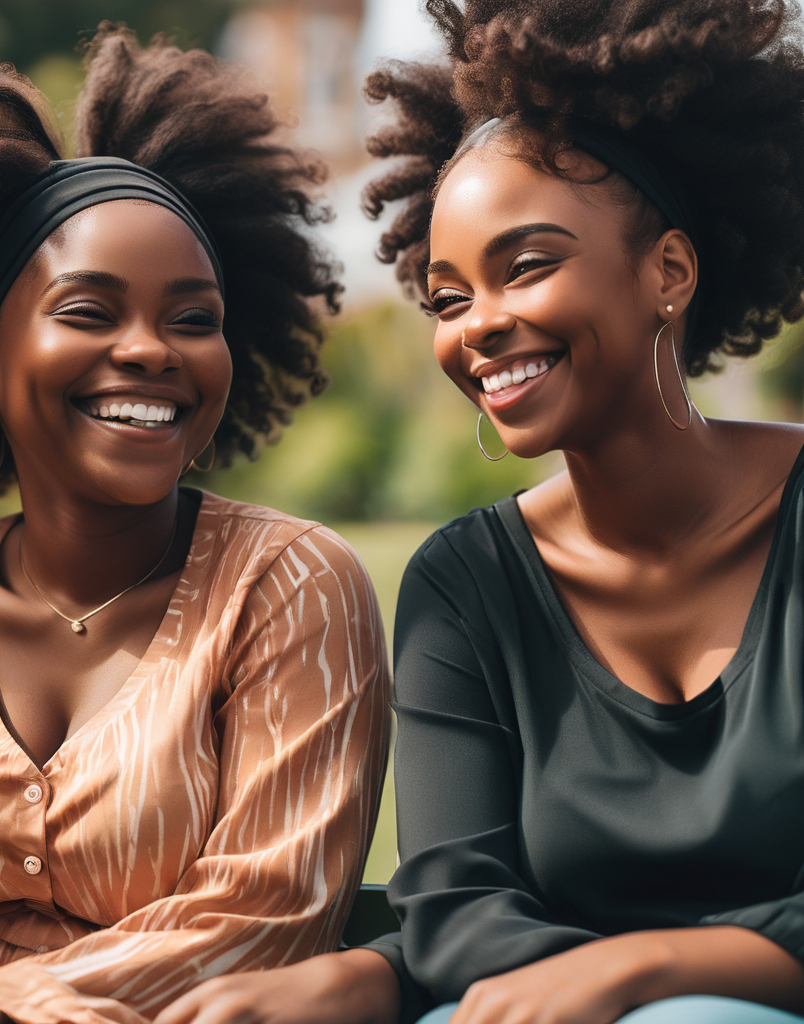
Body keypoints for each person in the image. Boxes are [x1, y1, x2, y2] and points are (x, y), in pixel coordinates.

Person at [149, 1, 804, 1023]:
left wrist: (653, 970)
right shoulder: (466, 583)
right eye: (448, 299)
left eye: (527, 265)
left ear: (667, 271)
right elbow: (458, 910)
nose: (481, 327)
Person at [0, 27, 391, 1024]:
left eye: (193, 319)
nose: (150, 350)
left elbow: (263, 913)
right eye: (90, 310)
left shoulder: (288, 584)